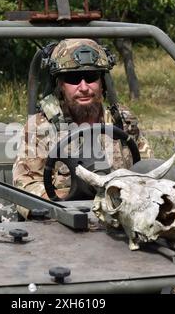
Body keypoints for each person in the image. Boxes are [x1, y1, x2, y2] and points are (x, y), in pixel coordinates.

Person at [11, 38, 153, 219]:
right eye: (73, 79)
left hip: (122, 217)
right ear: (60, 85)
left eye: (92, 77)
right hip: (64, 221)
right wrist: (62, 203)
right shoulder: (40, 127)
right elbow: (25, 186)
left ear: (101, 82)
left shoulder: (122, 123)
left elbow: (147, 171)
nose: (84, 87)